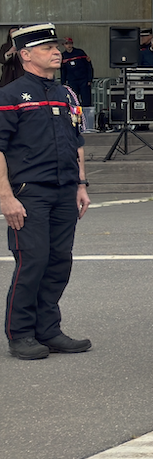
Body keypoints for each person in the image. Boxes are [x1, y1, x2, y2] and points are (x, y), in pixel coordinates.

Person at [1, 24, 91, 360]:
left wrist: (80, 184)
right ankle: (21, 333)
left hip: (65, 191)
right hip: (29, 193)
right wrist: (6, 197)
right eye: (46, 47)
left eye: (56, 46)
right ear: (25, 55)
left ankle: (48, 330)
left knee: (58, 262)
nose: (56, 51)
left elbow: (76, 141)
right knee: (32, 261)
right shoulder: (10, 96)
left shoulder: (65, 94)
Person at [59, 38, 93, 134]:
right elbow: (63, 71)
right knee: (74, 104)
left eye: (70, 43)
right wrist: (63, 83)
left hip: (83, 80)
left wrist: (90, 79)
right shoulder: (64, 56)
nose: (68, 45)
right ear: (63, 45)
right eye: (66, 44)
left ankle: (88, 124)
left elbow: (88, 66)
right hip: (72, 81)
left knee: (86, 101)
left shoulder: (80, 53)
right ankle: (77, 124)